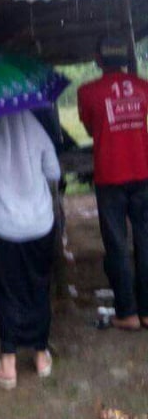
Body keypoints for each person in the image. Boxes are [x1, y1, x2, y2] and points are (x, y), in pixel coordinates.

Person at [0, 110, 60, 389]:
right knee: (39, 286)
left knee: (8, 291)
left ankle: (8, 365)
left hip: (4, 226)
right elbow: (54, 172)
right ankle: (41, 356)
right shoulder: (38, 131)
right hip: (41, 223)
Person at [77, 33, 148, 331]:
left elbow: (93, 129)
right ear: (126, 57)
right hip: (143, 172)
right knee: (146, 242)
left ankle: (127, 312)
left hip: (109, 176)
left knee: (117, 245)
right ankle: (146, 312)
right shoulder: (144, 87)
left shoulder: (87, 92)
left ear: (98, 59)